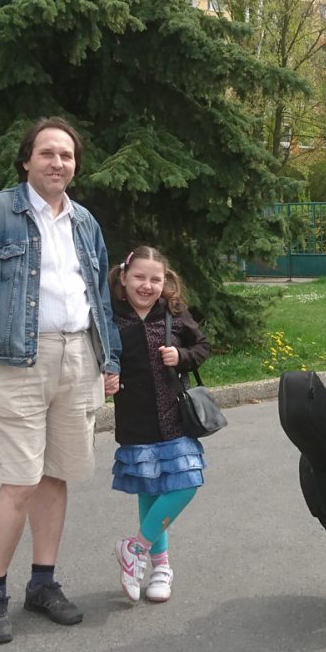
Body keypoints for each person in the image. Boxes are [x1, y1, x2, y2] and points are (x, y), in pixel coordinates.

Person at [0, 117, 122, 645]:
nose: (57, 162)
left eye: (66, 155)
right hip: (17, 361)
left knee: (56, 476)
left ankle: (42, 584)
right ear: (26, 161)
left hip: (78, 357)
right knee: (19, 480)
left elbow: (98, 296)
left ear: (75, 165)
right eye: (47, 153)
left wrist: (109, 358)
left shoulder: (84, 221)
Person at [105, 246, 211, 605]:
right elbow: (97, 357)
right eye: (139, 277)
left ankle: (134, 548)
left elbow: (202, 347)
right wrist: (105, 376)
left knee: (187, 482)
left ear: (165, 281)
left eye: (155, 279)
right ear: (124, 277)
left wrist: (182, 356)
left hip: (174, 418)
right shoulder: (111, 317)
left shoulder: (173, 313)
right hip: (135, 421)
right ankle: (159, 568)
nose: (147, 285)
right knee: (150, 492)